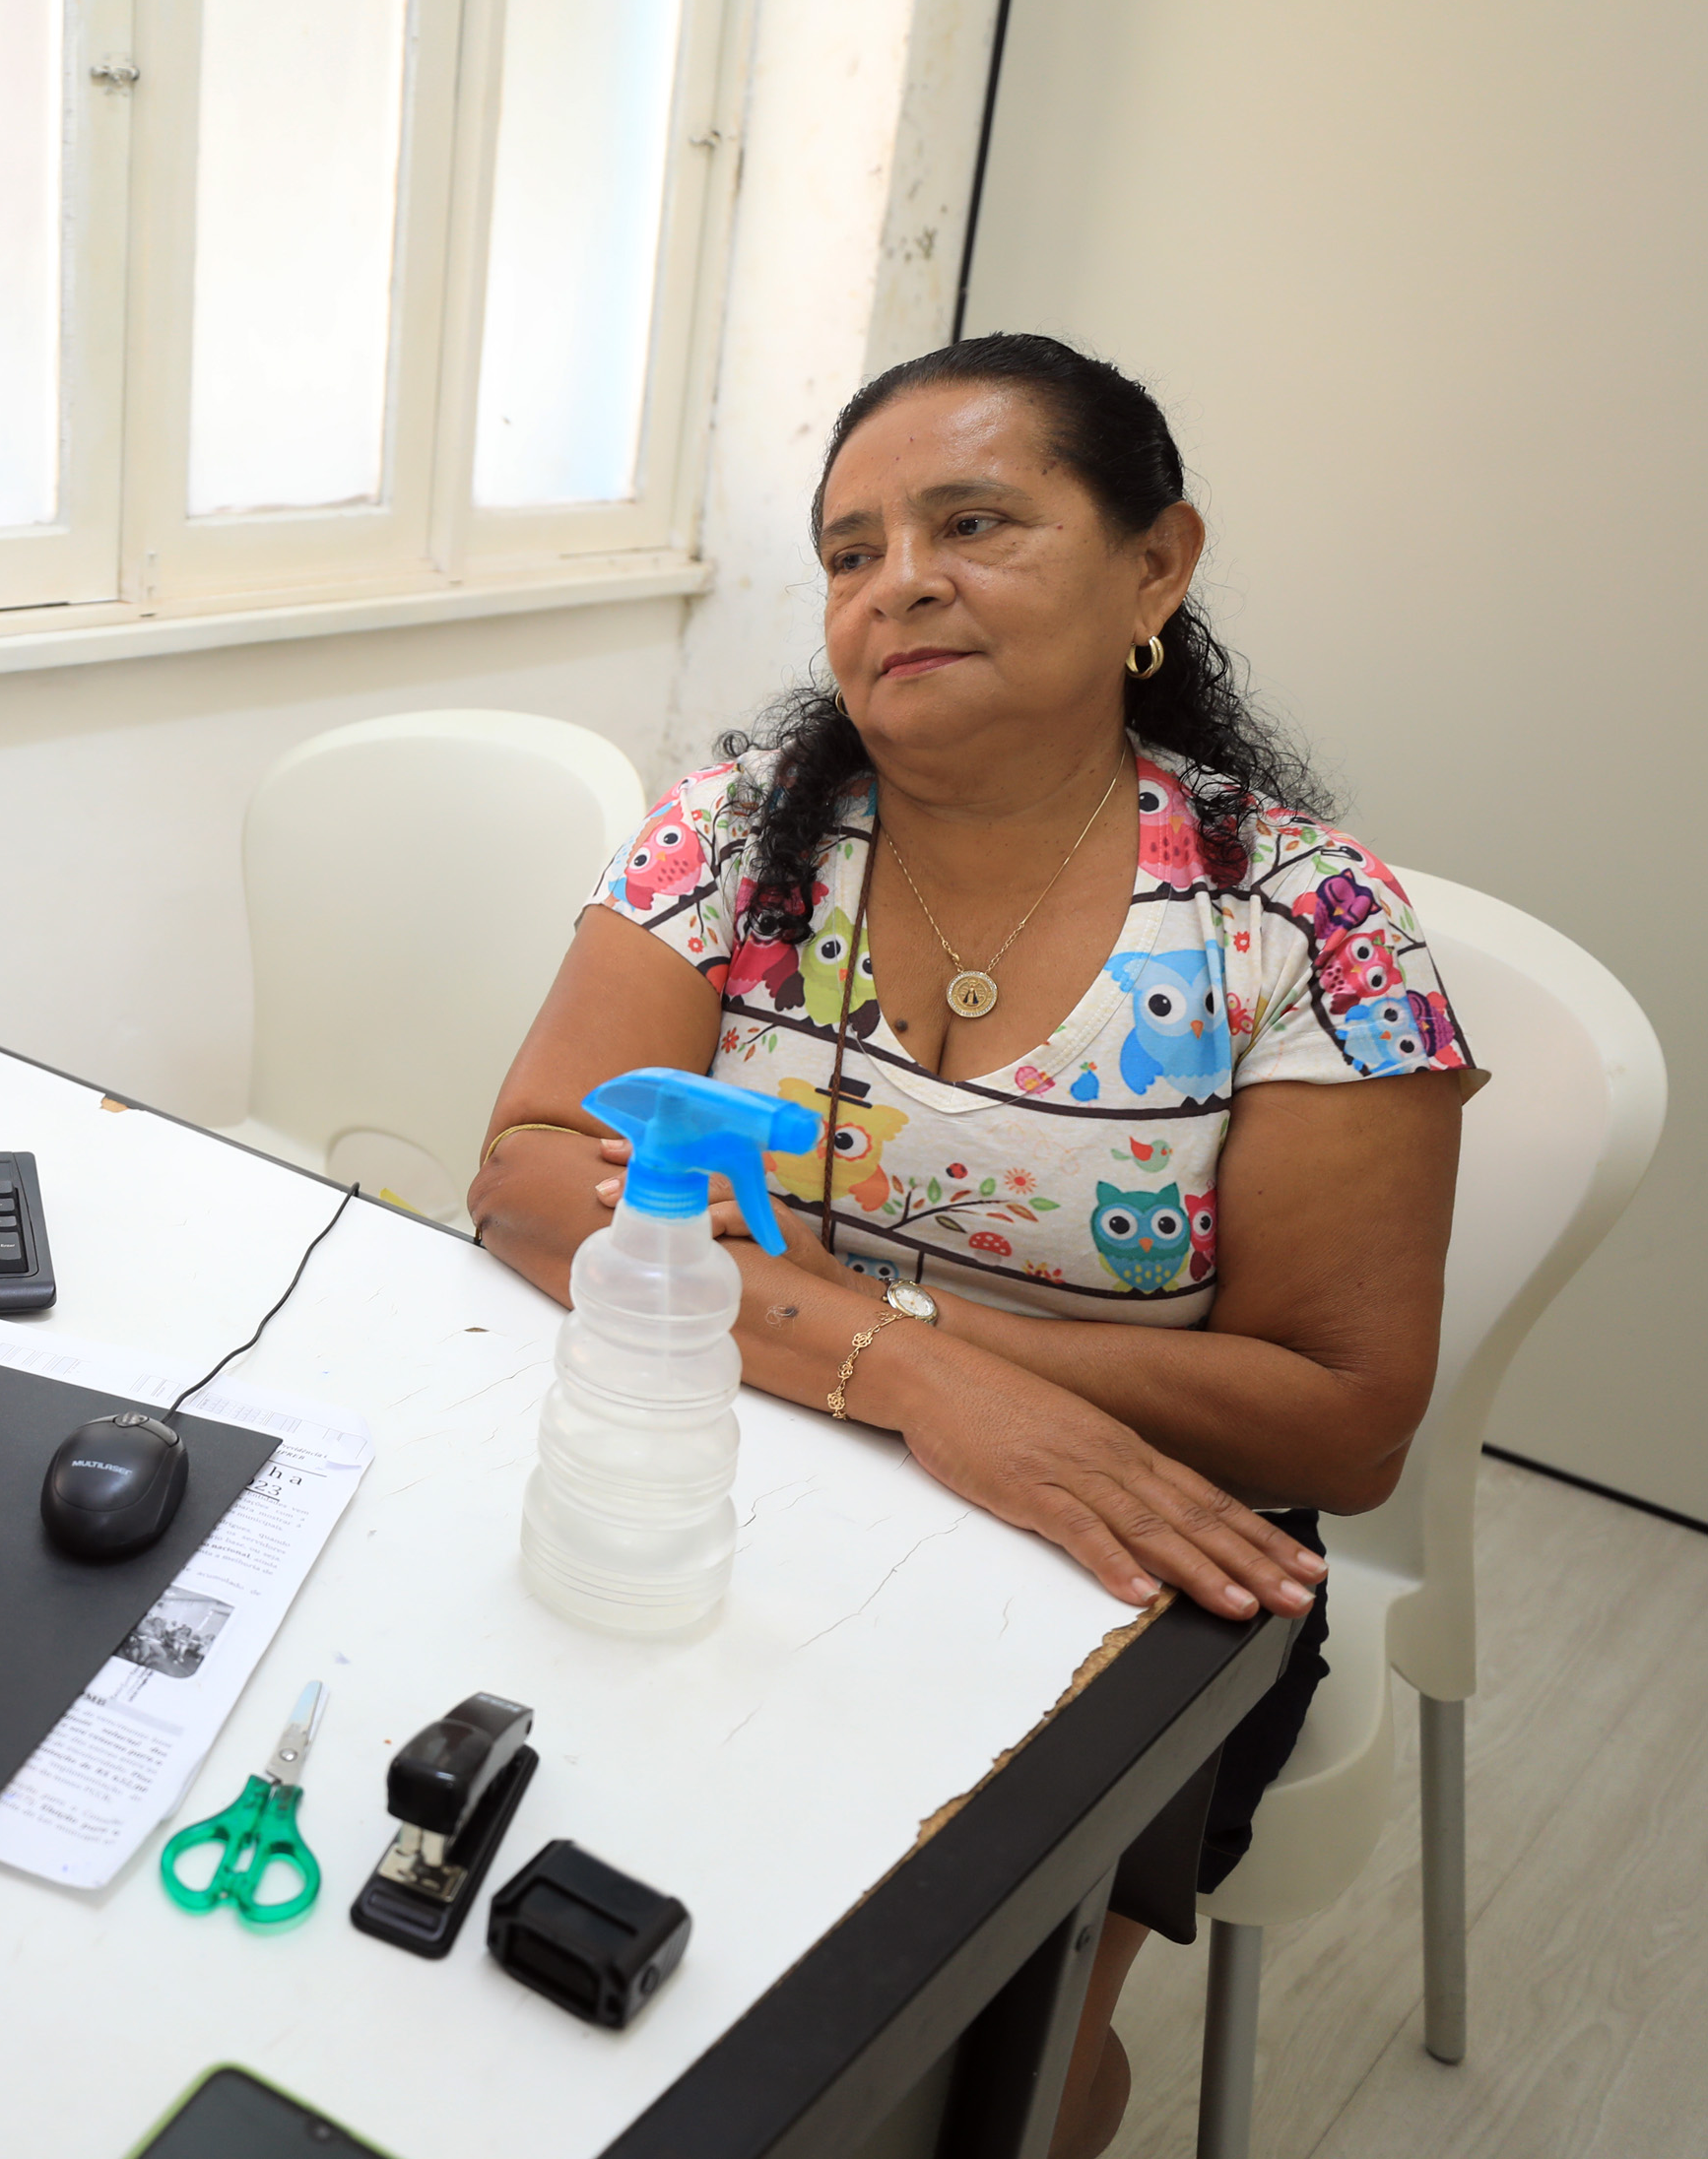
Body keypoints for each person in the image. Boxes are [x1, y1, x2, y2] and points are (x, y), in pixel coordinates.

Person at [470, 334, 1475, 2157]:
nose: (897, 581)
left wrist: (873, 1342)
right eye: (850, 550)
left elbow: (1338, 1421)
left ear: (1155, 567)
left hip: (1124, 1566)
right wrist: (909, 1368)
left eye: (974, 520)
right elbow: (534, 1166)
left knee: (936, 2062)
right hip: (734, 1460)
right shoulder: (740, 836)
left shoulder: (1308, 922)